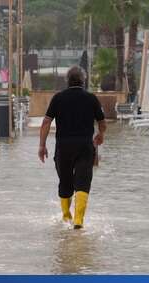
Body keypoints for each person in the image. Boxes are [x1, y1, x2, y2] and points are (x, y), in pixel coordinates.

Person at [38, 65, 106, 229]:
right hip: (84, 146)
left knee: (65, 181)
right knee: (83, 182)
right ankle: (78, 220)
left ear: (67, 80)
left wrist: (42, 145)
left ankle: (66, 217)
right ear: (84, 80)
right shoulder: (91, 98)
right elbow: (102, 122)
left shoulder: (58, 98)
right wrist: (100, 135)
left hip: (63, 147)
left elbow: (46, 122)